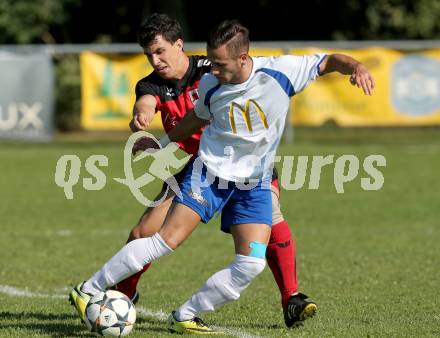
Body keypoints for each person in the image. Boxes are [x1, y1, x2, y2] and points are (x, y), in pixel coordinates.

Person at [70, 17, 374, 334]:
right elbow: (194, 119)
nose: (212, 70)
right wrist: (160, 145)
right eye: (211, 63)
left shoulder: (280, 71)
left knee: (251, 263)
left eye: (219, 64)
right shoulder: (210, 84)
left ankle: (185, 315)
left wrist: (357, 67)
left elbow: (328, 61)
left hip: (253, 182)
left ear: (243, 58)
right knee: (162, 240)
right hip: (208, 174)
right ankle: (88, 288)